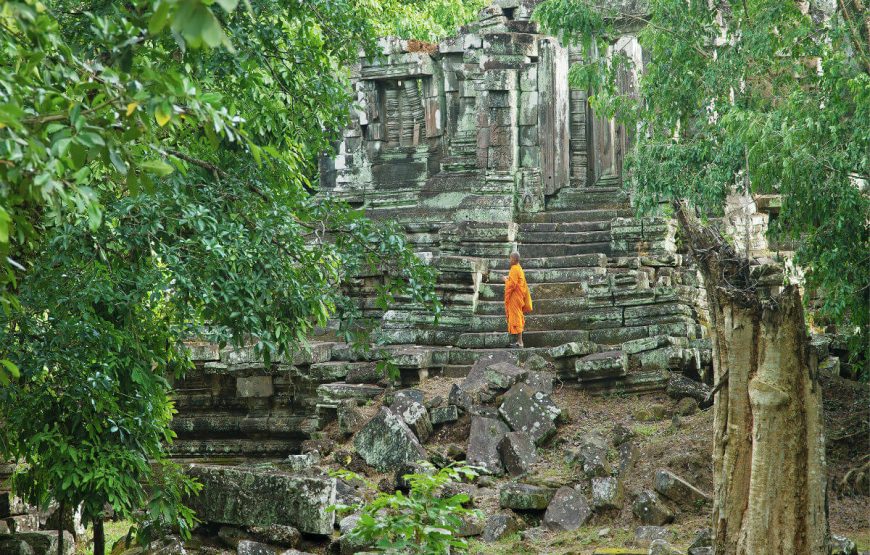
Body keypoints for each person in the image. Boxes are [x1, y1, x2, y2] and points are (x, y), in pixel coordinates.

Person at [503, 251, 531, 348]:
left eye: (510, 258)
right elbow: (515, 281)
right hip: (517, 297)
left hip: (515, 297)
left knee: (517, 317)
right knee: (517, 316)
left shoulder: (514, 269)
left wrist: (506, 280)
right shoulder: (519, 268)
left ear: (514, 259)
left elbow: (512, 285)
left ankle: (520, 342)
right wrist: (509, 279)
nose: (509, 260)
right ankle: (519, 341)